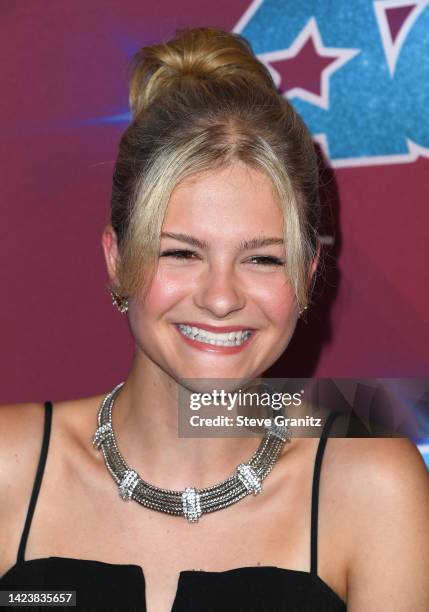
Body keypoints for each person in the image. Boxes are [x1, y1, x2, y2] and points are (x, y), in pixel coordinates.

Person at [0, 26, 428, 612]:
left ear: (305, 275)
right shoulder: (9, 463)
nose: (221, 297)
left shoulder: (374, 484)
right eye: (181, 252)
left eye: (261, 258)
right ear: (117, 259)